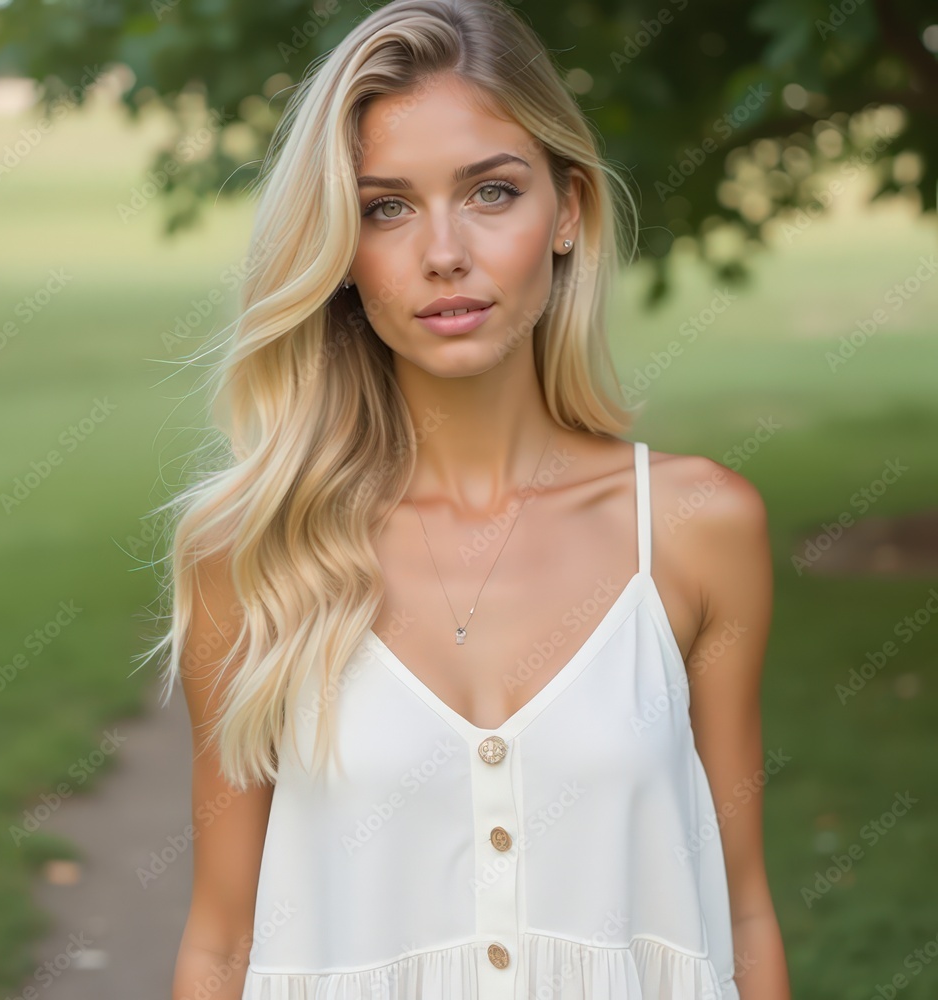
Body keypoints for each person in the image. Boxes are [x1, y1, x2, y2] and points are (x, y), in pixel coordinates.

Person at [157, 0, 791, 997]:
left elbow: (742, 910)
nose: (443, 252)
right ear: (339, 249)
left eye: (490, 192)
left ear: (568, 210)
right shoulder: (252, 550)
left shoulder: (695, 527)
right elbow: (222, 940)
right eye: (386, 206)